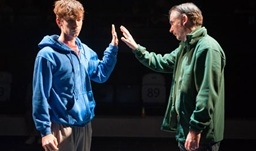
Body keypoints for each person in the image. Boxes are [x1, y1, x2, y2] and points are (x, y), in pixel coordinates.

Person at [120, 2, 226, 151]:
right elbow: (162, 62)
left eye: (172, 23)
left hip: (201, 137)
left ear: (184, 20)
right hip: (185, 131)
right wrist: (137, 49)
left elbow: (207, 94)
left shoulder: (208, 48)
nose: (170, 29)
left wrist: (195, 129)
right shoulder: (185, 47)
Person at [32, 0, 118, 151]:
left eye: (79, 20)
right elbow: (40, 95)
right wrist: (45, 131)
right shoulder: (47, 55)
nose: (76, 25)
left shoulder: (85, 50)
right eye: (71, 21)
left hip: (84, 124)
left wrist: (112, 50)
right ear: (59, 21)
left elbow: (101, 74)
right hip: (61, 125)